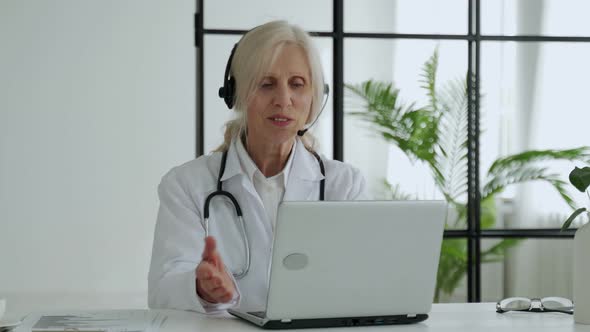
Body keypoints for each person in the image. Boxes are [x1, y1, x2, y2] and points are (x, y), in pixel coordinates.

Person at [148, 20, 367, 314]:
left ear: (315, 96)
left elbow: (364, 287)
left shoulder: (346, 186)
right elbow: (162, 291)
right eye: (266, 84)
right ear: (235, 92)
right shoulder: (187, 184)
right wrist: (201, 289)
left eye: (297, 84)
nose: (283, 100)